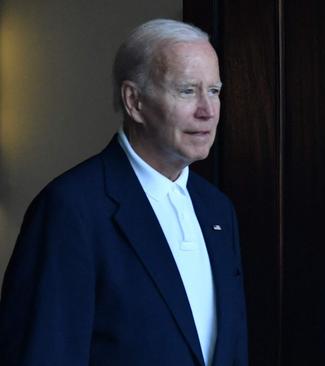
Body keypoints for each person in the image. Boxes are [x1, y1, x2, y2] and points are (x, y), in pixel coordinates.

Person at [0, 19, 248, 366]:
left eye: (215, 91)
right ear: (134, 101)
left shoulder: (218, 210)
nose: (207, 111)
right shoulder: (71, 208)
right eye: (187, 91)